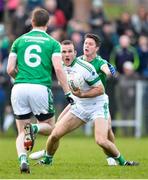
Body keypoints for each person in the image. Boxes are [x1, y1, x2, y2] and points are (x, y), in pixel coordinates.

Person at [37, 40, 139, 166]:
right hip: (79, 106)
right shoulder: (61, 67)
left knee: (101, 140)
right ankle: (47, 160)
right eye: (64, 52)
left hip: (97, 105)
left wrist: (82, 94)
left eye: (69, 51)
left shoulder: (86, 67)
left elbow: (100, 89)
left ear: (74, 53)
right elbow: (62, 82)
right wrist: (73, 89)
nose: (67, 54)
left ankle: (122, 162)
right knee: (54, 135)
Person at [7, 8, 74, 173]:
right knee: (51, 127)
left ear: (32, 21)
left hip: (19, 87)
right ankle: (35, 129)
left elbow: (9, 69)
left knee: (21, 130)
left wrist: (20, 79)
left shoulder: (19, 41)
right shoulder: (52, 43)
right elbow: (58, 69)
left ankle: (23, 160)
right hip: (40, 88)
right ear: (48, 23)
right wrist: (67, 92)